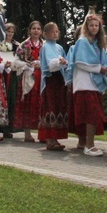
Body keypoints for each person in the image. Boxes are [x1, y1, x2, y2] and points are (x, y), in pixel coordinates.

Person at [68, 14, 107, 156]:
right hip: (85, 83)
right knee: (90, 115)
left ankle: (86, 143)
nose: (94, 28)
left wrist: (103, 68)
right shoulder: (83, 41)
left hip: (94, 84)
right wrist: (98, 69)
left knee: (91, 116)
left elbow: (103, 60)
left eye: (96, 25)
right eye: (91, 25)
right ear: (86, 26)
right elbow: (80, 62)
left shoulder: (97, 44)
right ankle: (89, 146)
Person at [38, 22, 69, 151]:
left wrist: (65, 63)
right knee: (50, 106)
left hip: (59, 80)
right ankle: (49, 138)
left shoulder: (59, 47)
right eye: (51, 31)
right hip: (51, 80)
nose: (54, 34)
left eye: (56, 31)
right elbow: (50, 64)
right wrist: (59, 62)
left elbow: (65, 62)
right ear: (45, 34)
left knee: (58, 107)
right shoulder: (45, 47)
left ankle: (55, 137)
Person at [13, 21, 43, 142]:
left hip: (41, 76)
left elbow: (48, 60)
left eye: (38, 28)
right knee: (28, 104)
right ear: (29, 30)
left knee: (41, 104)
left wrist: (39, 63)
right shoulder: (24, 45)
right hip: (28, 76)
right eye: (34, 28)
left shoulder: (44, 45)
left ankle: (42, 132)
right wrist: (27, 65)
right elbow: (16, 61)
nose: (36, 31)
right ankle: (27, 133)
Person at [0, 23, 20, 137]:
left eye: (12, 32)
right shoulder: (0, 45)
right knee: (3, 99)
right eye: (8, 31)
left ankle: (9, 125)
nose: (10, 34)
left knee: (12, 100)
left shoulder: (17, 45)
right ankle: (0, 125)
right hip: (3, 75)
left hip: (14, 75)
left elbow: (21, 59)